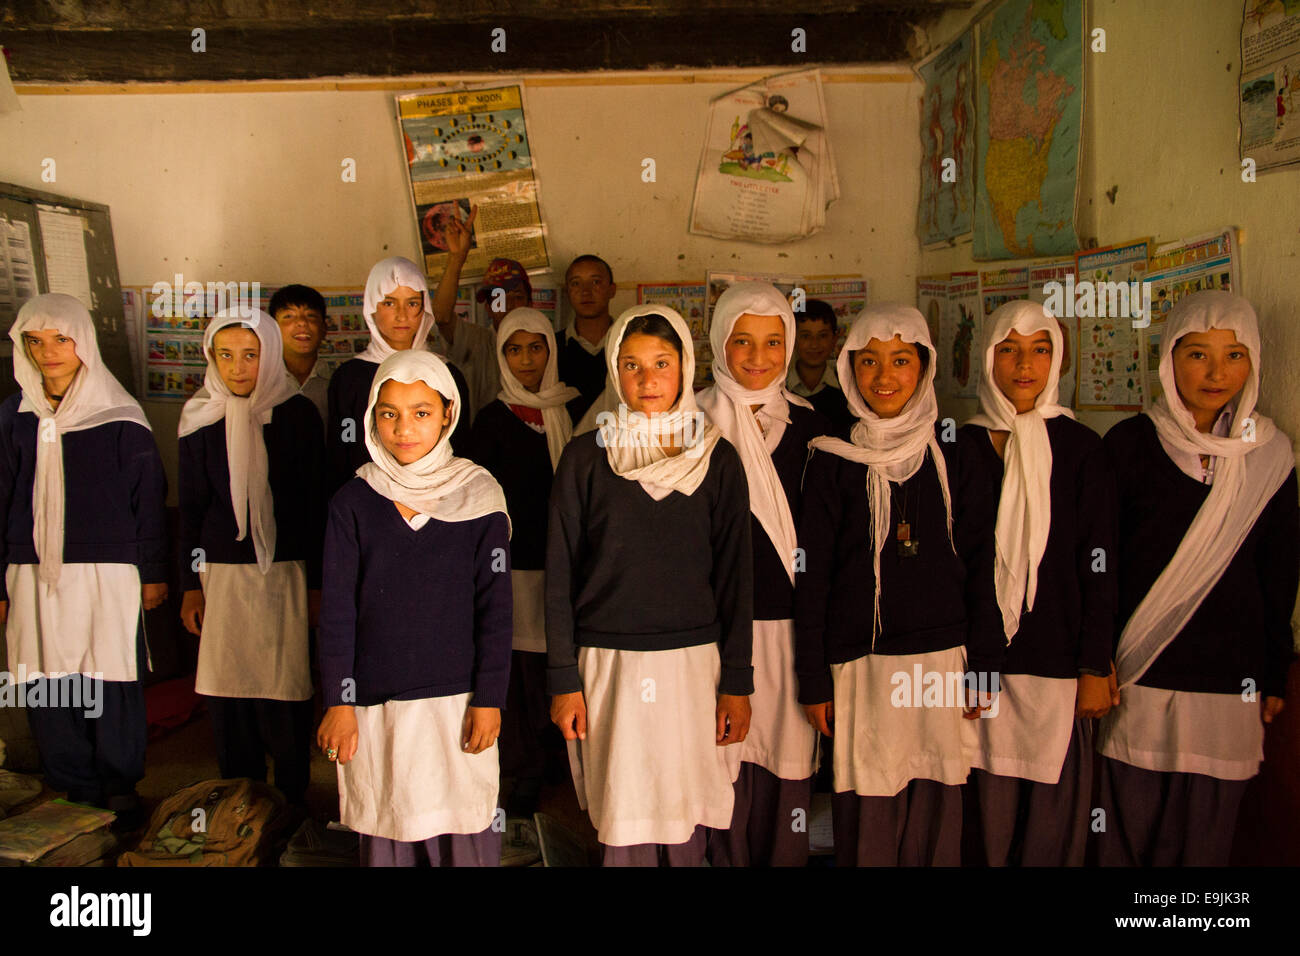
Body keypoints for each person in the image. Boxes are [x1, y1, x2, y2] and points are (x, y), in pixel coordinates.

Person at [1096, 290, 1298, 866]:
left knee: (1205, 840)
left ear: (1254, 361)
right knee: (1126, 832)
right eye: (1197, 355)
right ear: (1168, 359)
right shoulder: (1129, 446)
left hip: (1229, 678)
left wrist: (1275, 670)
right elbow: (1102, 561)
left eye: (1234, 356)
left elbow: (1279, 570)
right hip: (1139, 673)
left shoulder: (1270, 456)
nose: (1216, 373)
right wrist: (1097, 658)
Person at [547, 306, 754, 866]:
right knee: (623, 810)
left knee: (685, 808)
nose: (648, 380)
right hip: (608, 664)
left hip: (693, 665)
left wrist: (737, 679)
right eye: (631, 365)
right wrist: (564, 679)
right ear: (615, 373)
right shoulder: (586, 458)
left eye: (662, 363)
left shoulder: (716, 458)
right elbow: (561, 573)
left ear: (685, 366)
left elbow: (737, 576)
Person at [794, 304, 999, 867]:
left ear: (926, 367)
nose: (885, 378)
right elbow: (810, 578)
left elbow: (986, 566)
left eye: (901, 361)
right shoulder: (833, 459)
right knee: (869, 812)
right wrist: (813, 680)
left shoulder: (958, 452)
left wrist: (984, 665)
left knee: (937, 802)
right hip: (860, 667)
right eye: (869, 363)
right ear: (849, 370)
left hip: (942, 663)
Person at [317, 350, 512, 867]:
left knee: (464, 827)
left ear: (448, 412)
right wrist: (339, 702)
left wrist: (490, 698)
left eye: (421, 412)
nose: (404, 428)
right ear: (370, 417)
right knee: (390, 827)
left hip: (458, 701)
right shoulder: (353, 502)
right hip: (375, 703)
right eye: (389, 413)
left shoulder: (479, 497)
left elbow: (496, 612)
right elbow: (336, 611)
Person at [956, 300, 1117, 866]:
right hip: (978, 664)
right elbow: (956, 566)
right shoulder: (958, 447)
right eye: (1009, 350)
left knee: (1053, 823)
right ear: (987, 358)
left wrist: (1096, 666)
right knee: (985, 819)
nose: (1025, 365)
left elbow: (1098, 563)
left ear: (1058, 359)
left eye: (1040, 349)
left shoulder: (1081, 449)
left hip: (1058, 663)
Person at [0, 294, 167, 830]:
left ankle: (118, 786)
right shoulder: (15, 416)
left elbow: (148, 498)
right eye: (36, 341)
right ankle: (74, 785)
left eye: (61, 339)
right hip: (31, 568)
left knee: (107, 675)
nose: (49, 352)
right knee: (45, 674)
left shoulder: (119, 414)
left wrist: (155, 570)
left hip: (108, 570)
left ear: (84, 343)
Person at [696, 282, 829, 867]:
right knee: (719, 763)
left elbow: (829, 540)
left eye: (773, 342)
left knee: (785, 766)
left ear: (790, 343)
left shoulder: (814, 427)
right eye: (742, 341)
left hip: (791, 629)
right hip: (711, 631)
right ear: (719, 342)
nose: (757, 357)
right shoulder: (689, 421)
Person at [178, 310, 326, 808]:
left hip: (285, 572)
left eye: (251, 354)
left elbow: (313, 505)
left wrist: (318, 583)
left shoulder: (296, 412)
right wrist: (189, 584)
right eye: (226, 355)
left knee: (285, 686)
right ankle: (238, 797)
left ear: (269, 355)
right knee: (229, 689)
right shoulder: (200, 415)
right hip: (220, 573)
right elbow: (192, 508)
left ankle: (290, 797)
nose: (238, 368)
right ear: (211, 359)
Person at [467, 308, 579, 818]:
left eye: (537, 348)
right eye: (515, 349)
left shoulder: (573, 413)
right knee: (518, 672)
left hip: (566, 569)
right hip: (510, 570)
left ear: (550, 353)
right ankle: (528, 767)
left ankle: (561, 757)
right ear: (501, 356)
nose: (527, 359)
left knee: (559, 667)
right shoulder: (489, 421)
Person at [326, 256, 470, 492]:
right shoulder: (349, 377)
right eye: (389, 303)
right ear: (372, 306)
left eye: (412, 303)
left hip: (436, 498)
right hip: (367, 498)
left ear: (424, 308)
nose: (402, 315)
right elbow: (344, 442)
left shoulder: (447, 374)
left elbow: (460, 446)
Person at [429, 208, 501, 418]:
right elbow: (441, 317)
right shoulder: (478, 340)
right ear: (487, 306)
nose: (506, 305)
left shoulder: (544, 345)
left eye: (516, 296)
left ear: (530, 302)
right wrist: (456, 258)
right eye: (497, 298)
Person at [558, 254, 618, 422]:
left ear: (612, 290)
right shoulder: (551, 347)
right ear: (567, 291)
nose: (585, 291)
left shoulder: (631, 344)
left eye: (595, 282)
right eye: (576, 283)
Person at [271, 284, 331, 428]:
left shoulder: (338, 383)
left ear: (324, 328)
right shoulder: (258, 381)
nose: (302, 322)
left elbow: (349, 433)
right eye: (288, 316)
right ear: (272, 329)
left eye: (311, 315)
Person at [788, 298, 852, 432]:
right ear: (792, 339)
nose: (814, 344)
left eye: (822, 336)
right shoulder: (779, 388)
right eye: (806, 336)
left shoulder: (849, 388)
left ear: (834, 339)